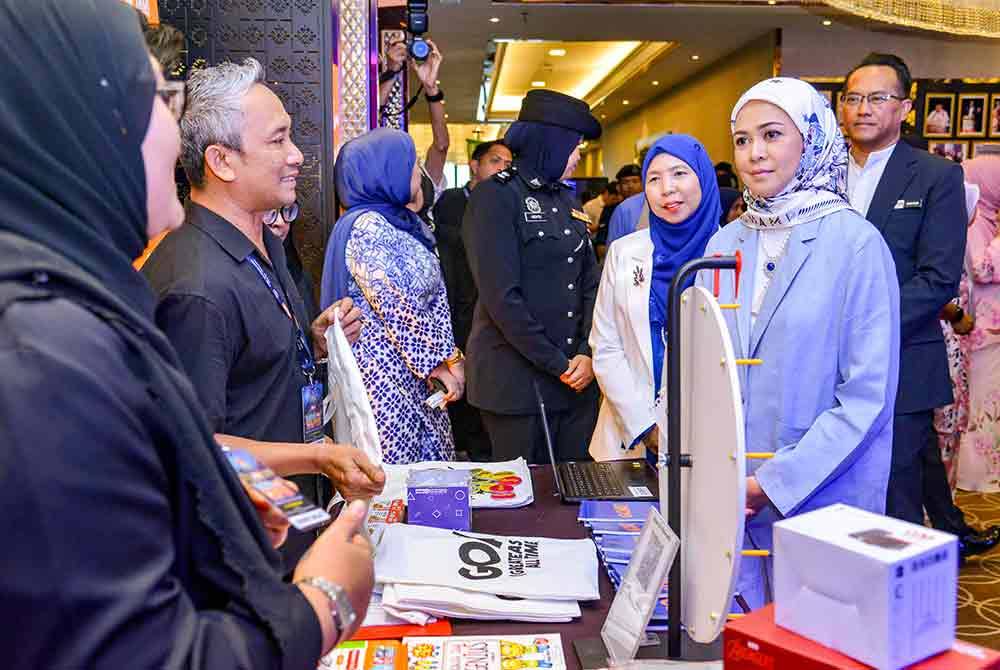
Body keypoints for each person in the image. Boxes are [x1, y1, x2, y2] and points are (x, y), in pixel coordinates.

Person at [0, 1, 373, 667]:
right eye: (156, 104)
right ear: (81, 130)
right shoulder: (38, 348)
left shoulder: (70, 295)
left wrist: (200, 500)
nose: (176, 139)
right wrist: (327, 602)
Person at [142, 58, 385, 564]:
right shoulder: (197, 285)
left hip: (291, 520)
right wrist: (319, 458)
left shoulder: (263, 244)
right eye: (277, 140)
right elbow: (192, 447)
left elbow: (249, 369)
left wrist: (313, 343)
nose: (297, 155)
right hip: (242, 545)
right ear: (222, 161)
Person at [700, 76, 900, 608]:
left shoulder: (856, 244)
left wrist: (772, 481)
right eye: (741, 140)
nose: (754, 154)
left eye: (771, 135)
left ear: (811, 140)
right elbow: (699, 368)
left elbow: (867, 398)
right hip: (730, 506)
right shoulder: (723, 242)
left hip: (822, 497)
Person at [842, 53, 1000, 557]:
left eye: (878, 98)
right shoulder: (819, 174)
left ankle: (898, 621)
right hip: (825, 366)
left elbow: (936, 280)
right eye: (853, 98)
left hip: (903, 360)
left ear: (906, 108)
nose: (863, 108)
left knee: (896, 497)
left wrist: (854, 325)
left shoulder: (936, 176)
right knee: (834, 497)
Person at [463, 89, 602, 463]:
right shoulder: (495, 197)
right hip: (517, 385)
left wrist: (586, 352)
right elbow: (501, 299)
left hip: (575, 381)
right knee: (525, 502)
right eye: (574, 146)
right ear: (551, 142)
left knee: (575, 493)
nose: (577, 156)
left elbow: (589, 282)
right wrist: (558, 364)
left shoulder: (566, 200)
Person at [321, 128, 462, 464]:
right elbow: (396, 303)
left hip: (413, 378)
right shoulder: (368, 226)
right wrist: (439, 364)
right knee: (395, 487)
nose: (417, 172)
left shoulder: (393, 222)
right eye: (411, 163)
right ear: (385, 173)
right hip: (387, 384)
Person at [589, 135, 720, 461]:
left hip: (711, 439)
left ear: (703, 177)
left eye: (679, 174)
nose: (667, 189)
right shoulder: (625, 252)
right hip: (629, 437)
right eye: (654, 179)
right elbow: (605, 345)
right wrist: (646, 428)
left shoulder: (732, 253)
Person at [434, 139, 513, 460]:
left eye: (508, 164)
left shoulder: (509, 203)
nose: (502, 169)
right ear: (474, 165)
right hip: (458, 311)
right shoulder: (451, 203)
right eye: (495, 161)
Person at [952, 155, 1000, 492]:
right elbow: (982, 270)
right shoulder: (972, 221)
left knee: (991, 400)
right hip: (978, 326)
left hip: (987, 325)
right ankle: (977, 476)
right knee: (981, 401)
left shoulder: (985, 218)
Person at [595, 164, 642, 257]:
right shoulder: (611, 209)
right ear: (618, 187)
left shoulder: (652, 207)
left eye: (635, 181)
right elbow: (601, 247)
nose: (630, 186)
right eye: (625, 182)